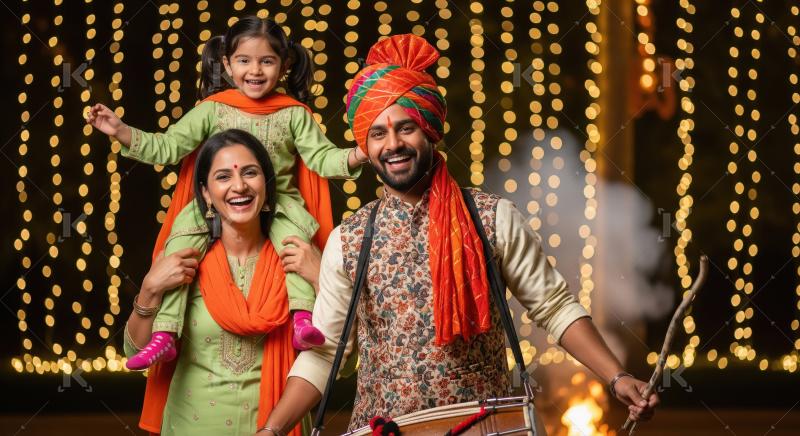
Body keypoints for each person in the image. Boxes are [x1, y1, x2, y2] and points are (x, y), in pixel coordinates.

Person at [261, 34, 659, 434]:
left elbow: (553, 307)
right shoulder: (349, 240)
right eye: (378, 133)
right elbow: (325, 354)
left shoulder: (492, 218)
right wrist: (272, 430)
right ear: (364, 145)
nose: (393, 144)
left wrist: (617, 377)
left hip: (482, 427)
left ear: (430, 130)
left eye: (406, 128)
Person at [87, 15, 368, 371]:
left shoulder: (294, 115)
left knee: (298, 248)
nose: (255, 70)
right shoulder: (212, 109)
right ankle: (165, 335)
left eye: (267, 61)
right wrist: (121, 131)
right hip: (214, 210)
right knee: (179, 253)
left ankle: (302, 320)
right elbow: (169, 147)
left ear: (284, 65)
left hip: (279, 206)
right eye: (244, 60)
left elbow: (322, 157)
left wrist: (357, 154)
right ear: (226, 64)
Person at [124, 129, 321, 435]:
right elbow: (134, 350)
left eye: (250, 173)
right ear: (205, 193)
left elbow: (341, 362)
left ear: (267, 185)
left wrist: (322, 279)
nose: (239, 186)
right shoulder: (184, 259)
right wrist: (150, 289)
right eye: (223, 177)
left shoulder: (298, 258)